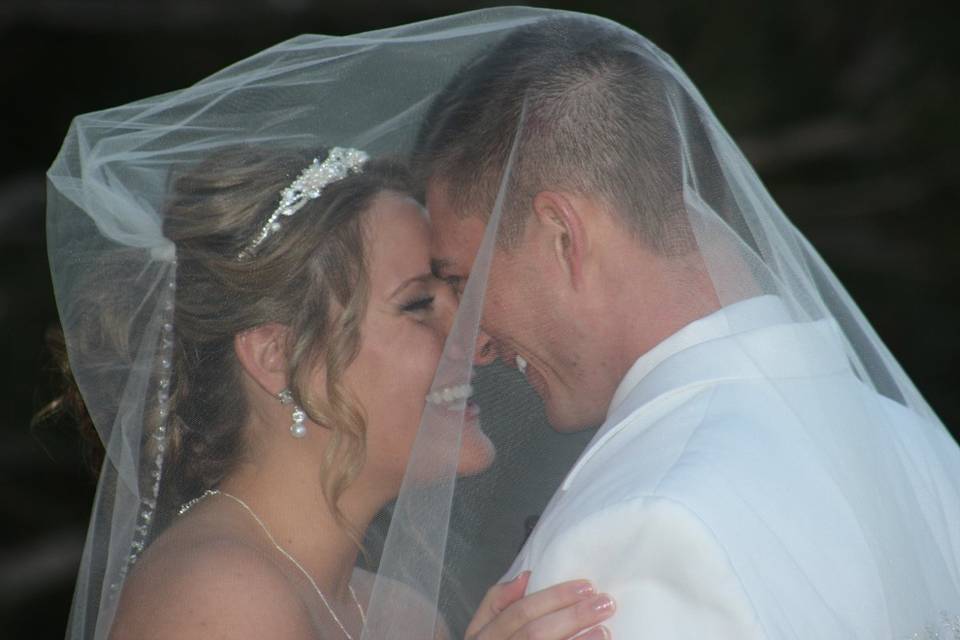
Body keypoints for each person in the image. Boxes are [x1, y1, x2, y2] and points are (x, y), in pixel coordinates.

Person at [46, 19, 619, 637]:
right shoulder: (215, 596)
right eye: (420, 304)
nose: (478, 339)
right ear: (276, 356)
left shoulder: (398, 612)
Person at [413, 11, 960, 639]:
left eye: (465, 282)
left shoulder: (649, 527)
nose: (474, 342)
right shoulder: (914, 446)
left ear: (563, 236)